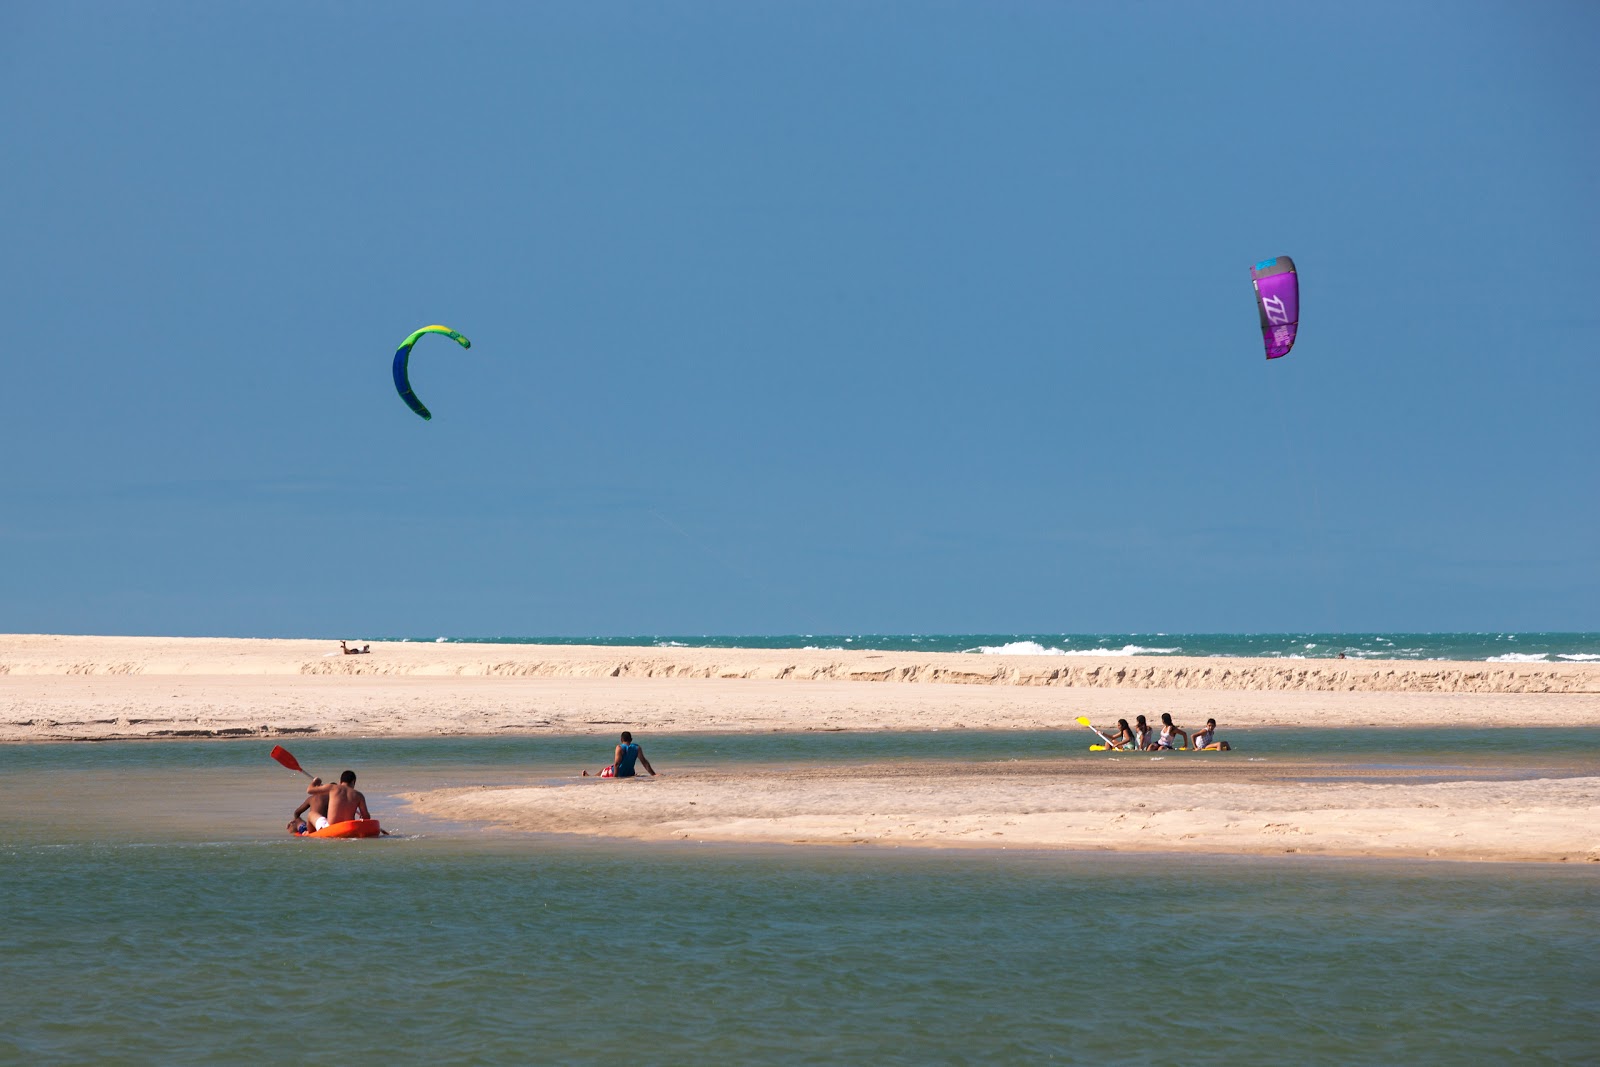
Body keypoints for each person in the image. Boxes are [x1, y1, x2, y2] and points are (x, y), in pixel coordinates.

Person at [305, 770, 371, 824]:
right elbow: (366, 817)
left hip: (332, 827)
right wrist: (362, 817)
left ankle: (310, 833)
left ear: (340, 781)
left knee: (311, 814)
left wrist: (315, 782)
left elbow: (309, 790)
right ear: (353, 782)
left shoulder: (333, 788)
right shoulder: (359, 795)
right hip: (348, 826)